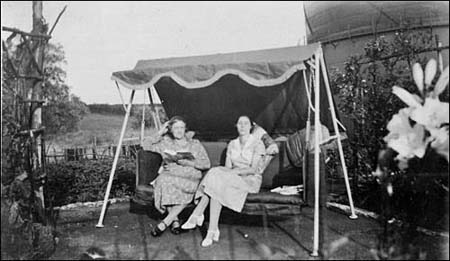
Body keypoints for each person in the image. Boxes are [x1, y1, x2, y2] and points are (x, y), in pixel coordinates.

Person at [181, 115, 266, 247]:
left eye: (246, 123)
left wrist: (231, 173)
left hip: (250, 181)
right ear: (236, 126)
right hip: (232, 178)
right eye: (240, 123)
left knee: (217, 178)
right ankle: (211, 231)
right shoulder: (232, 144)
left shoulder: (258, 143)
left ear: (251, 126)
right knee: (215, 176)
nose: (242, 126)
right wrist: (228, 172)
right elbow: (227, 167)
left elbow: (253, 169)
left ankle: (197, 214)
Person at [143, 116, 211, 237]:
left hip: (191, 177)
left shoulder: (195, 144)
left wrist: (189, 163)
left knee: (168, 181)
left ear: (185, 129)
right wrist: (160, 131)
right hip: (172, 174)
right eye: (175, 128)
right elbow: (145, 144)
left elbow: (206, 164)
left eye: (181, 127)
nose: (179, 131)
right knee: (163, 180)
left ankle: (166, 222)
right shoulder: (165, 143)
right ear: (170, 130)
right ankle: (174, 221)